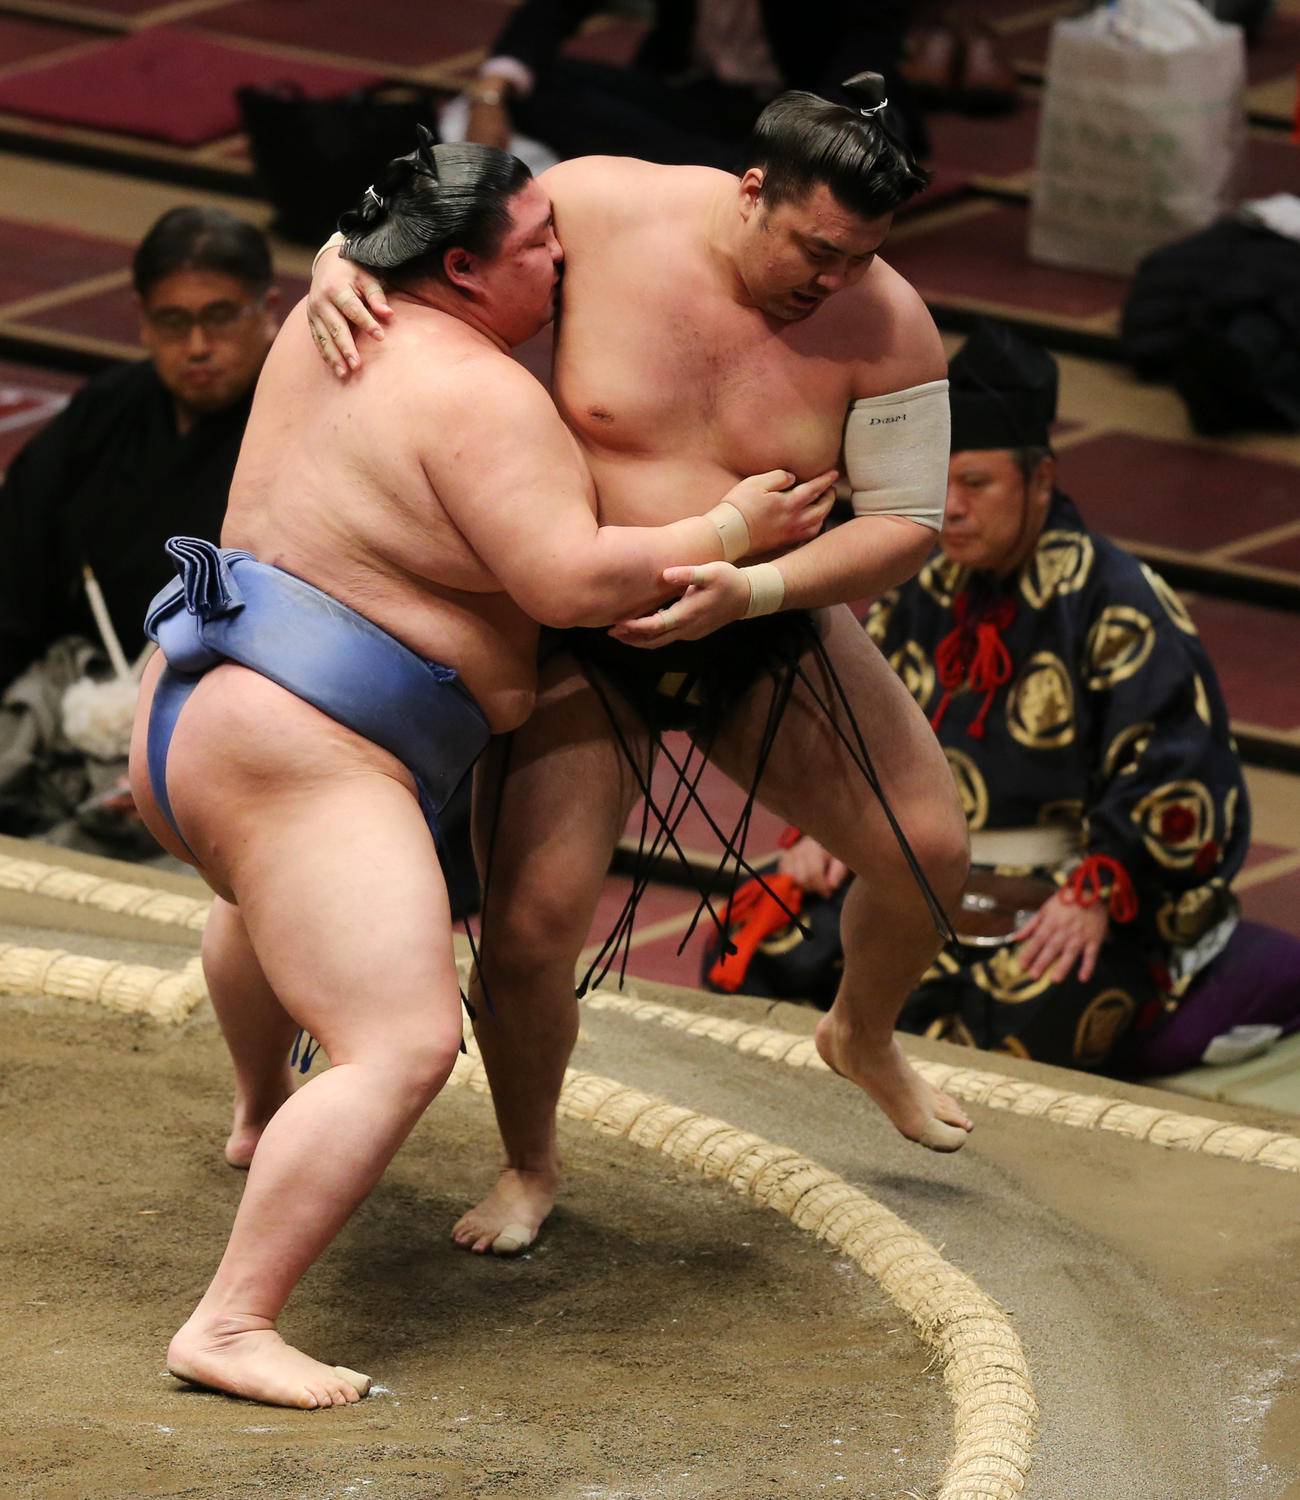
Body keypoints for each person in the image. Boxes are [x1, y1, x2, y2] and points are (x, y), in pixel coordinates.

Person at [127, 135, 833, 1411]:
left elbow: (370, 231)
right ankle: (230, 1324)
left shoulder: (322, 318)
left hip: (192, 710)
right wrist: (730, 529)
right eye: (534, 247)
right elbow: (566, 579)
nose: (561, 254)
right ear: (459, 267)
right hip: (304, 751)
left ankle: (254, 1115)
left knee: (257, 899)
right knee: (399, 1042)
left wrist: (339, 250)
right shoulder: (479, 391)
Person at [308, 78, 976, 1261]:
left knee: (927, 851)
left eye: (861, 256)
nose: (834, 280)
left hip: (764, 618)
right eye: (817, 249)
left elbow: (910, 520)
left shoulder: (889, 323)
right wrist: (339, 259)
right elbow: (435, 239)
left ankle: (862, 1035)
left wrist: (755, 586)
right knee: (526, 929)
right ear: (752, 190)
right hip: (583, 621)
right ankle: (529, 1161)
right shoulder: (598, 210)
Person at [776, 321, 1300, 1074]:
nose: (949, 508)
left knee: (1010, 1021)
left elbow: (1180, 782)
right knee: (769, 943)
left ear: (1043, 480)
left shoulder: (1119, 606)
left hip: (1073, 885)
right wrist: (823, 830)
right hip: (924, 871)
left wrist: (1097, 890)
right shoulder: (918, 584)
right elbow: (849, 726)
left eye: (978, 484)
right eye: (940, 480)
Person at [0, 207, 279, 844]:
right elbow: (14, 574)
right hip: (71, 695)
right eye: (173, 322)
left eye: (220, 317)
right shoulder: (107, 411)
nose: (198, 347)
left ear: (267, 308)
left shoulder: (304, 426)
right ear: (142, 320)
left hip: (210, 728)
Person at [460, 0, 926, 167]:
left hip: (803, 108)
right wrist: (491, 92)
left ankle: (725, 174)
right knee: (537, 86)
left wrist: (804, 137)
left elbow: (869, 45)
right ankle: (725, 178)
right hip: (694, 97)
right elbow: (555, 8)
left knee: (851, 145)